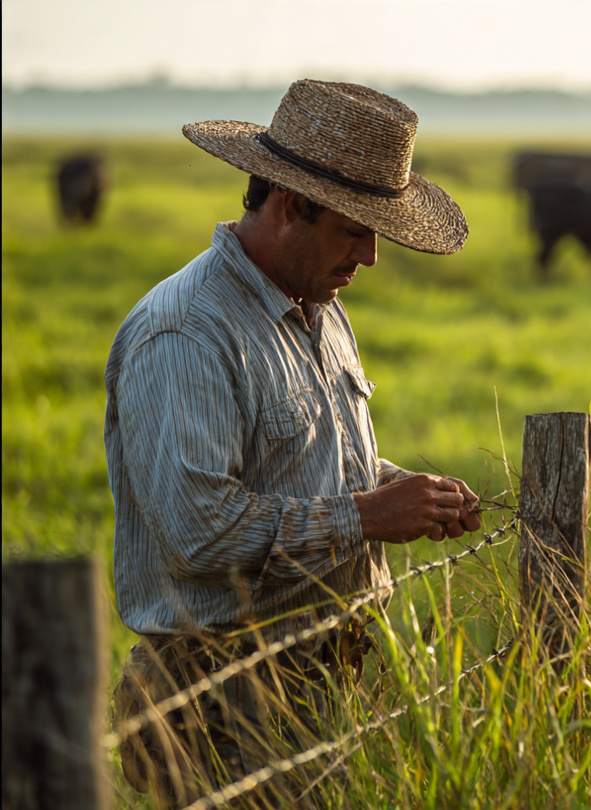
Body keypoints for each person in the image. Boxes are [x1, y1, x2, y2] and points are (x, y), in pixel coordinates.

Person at [104, 79, 481, 807]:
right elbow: (196, 532)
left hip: (325, 674)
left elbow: (308, 462)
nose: (370, 256)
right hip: (221, 700)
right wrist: (369, 517)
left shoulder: (319, 302)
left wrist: (409, 493)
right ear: (289, 206)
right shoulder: (187, 333)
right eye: (355, 230)